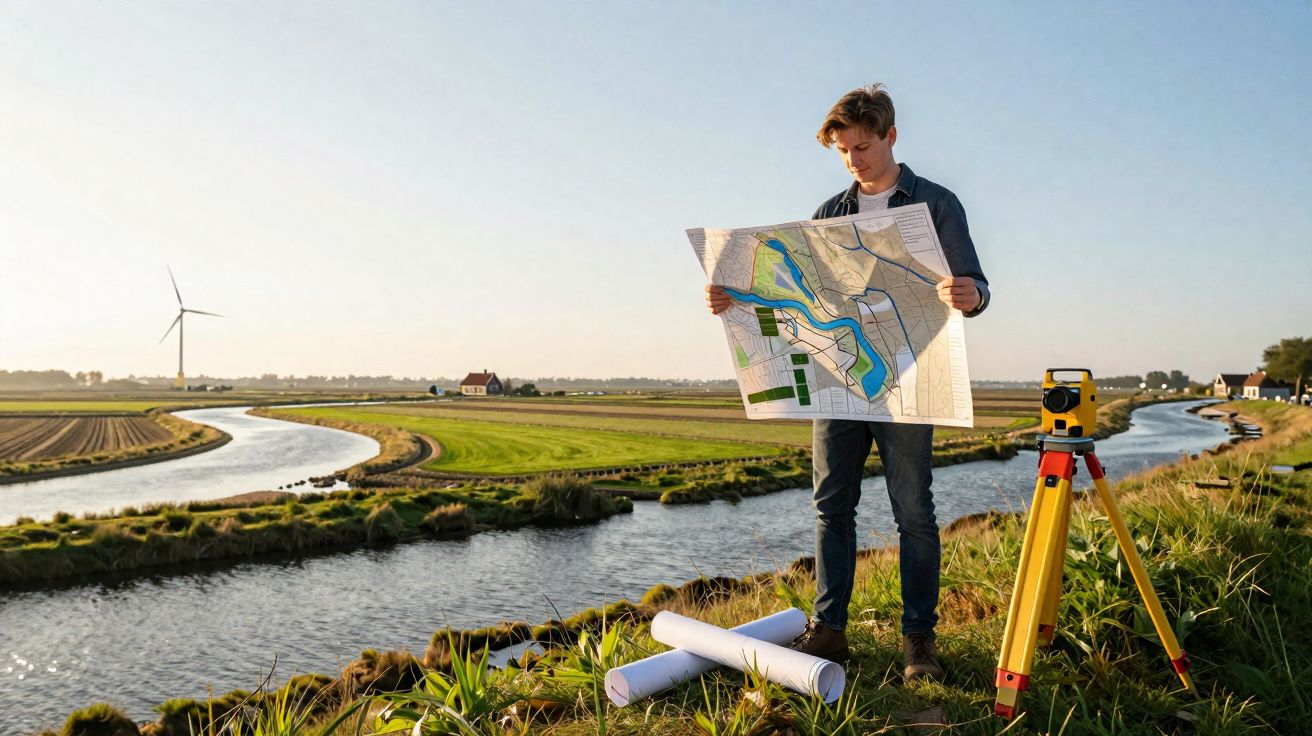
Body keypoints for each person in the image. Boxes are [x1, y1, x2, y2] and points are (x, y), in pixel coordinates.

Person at [704, 83, 990, 682]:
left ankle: (919, 644)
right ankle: (829, 631)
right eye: (843, 151)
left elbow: (976, 287)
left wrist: (973, 294)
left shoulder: (937, 205)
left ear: (890, 136)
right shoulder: (827, 215)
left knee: (914, 512)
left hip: (911, 381)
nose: (855, 159)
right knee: (831, 506)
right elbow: (797, 296)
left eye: (863, 145)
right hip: (838, 381)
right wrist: (733, 298)